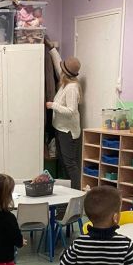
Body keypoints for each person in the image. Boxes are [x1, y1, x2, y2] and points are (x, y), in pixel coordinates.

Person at [45, 38, 82, 190]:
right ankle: (64, 190)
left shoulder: (72, 88)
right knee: (62, 162)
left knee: (70, 164)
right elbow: (58, 63)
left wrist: (53, 105)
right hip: (60, 129)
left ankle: (76, 193)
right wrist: (52, 48)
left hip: (68, 132)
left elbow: (71, 111)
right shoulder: (65, 82)